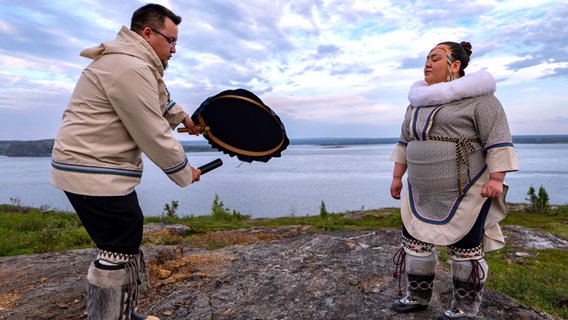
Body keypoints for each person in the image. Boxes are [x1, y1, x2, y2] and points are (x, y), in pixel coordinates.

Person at [51, 4, 201, 320]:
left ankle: (122, 313)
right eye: (170, 40)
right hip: (91, 168)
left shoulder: (133, 61)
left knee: (123, 239)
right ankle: (107, 316)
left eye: (176, 43)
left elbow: (158, 97)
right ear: (147, 33)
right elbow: (152, 131)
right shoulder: (130, 68)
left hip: (91, 165)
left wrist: (183, 117)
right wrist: (186, 171)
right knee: (119, 244)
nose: (174, 49)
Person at [388, 41, 519, 319]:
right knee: (415, 243)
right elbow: (404, 142)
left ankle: (464, 309)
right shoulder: (416, 104)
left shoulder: (481, 100)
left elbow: (497, 139)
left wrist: (496, 178)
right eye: (425, 58)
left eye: (434, 58)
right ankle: (418, 297)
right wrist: (397, 176)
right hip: (419, 191)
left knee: (465, 250)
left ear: (455, 65)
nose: (426, 63)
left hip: (467, 191)